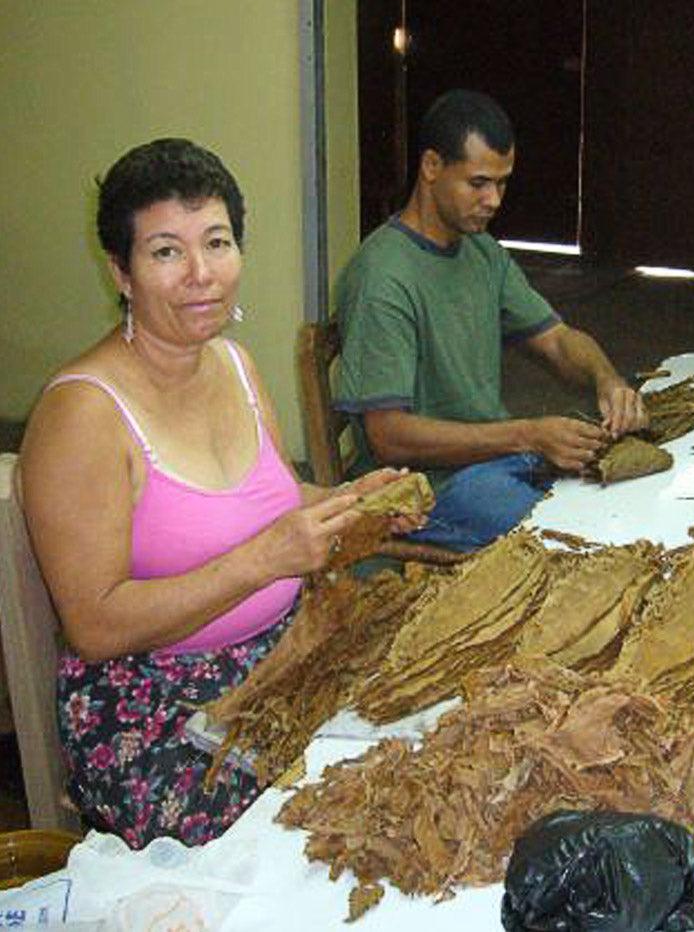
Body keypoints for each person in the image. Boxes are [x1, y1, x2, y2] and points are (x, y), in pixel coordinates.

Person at [18, 138, 414, 849]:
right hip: (158, 709)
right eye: (166, 251)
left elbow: (276, 498)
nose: (202, 274)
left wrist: (361, 505)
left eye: (218, 242)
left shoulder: (232, 362)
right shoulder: (84, 413)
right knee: (346, 829)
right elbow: (96, 626)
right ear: (121, 272)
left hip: (284, 651)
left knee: (427, 735)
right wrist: (265, 561)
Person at [335, 89, 648, 551]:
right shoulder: (383, 277)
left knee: (620, 493)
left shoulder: (480, 251)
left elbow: (558, 340)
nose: (493, 200)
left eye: (502, 183)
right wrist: (528, 434)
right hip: (426, 491)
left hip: (494, 462)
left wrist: (607, 379)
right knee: (577, 540)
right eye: (478, 182)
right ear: (431, 167)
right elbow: (388, 437)